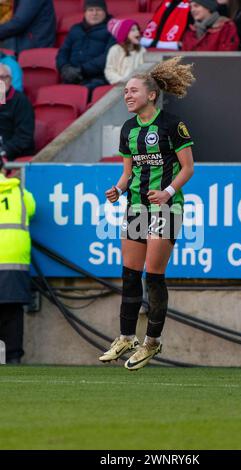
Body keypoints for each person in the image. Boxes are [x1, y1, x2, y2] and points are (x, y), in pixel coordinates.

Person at [99, 56, 195, 371]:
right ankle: (126, 337)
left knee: (153, 277)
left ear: (151, 95)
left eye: (133, 91)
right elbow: (127, 174)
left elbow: (188, 168)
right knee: (129, 275)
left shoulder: (172, 124)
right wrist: (118, 189)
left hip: (166, 207)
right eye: (126, 91)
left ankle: (152, 342)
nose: (127, 95)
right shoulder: (128, 129)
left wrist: (167, 193)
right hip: (136, 207)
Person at [0, 155, 36, 364]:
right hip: (14, 260)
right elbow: (31, 210)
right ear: (6, 170)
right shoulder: (21, 193)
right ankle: (13, 357)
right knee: (12, 312)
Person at [56, 0, 116, 95]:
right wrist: (64, 67)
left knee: (79, 94)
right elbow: (63, 52)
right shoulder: (75, 29)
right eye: (90, 10)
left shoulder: (113, 30)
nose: (94, 13)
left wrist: (82, 70)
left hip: (97, 80)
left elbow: (108, 57)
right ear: (85, 13)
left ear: (105, 12)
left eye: (98, 10)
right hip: (71, 77)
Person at [0, 63, 34, 160]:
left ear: (10, 80)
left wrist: (3, 151)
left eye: (4, 78)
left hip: (13, 155)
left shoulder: (21, 101)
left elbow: (24, 138)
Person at [105, 18, 146, 85]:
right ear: (124, 33)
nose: (137, 32)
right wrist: (122, 80)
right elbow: (109, 70)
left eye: (137, 29)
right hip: (120, 85)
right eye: (133, 30)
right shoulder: (115, 49)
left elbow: (145, 70)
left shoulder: (142, 50)